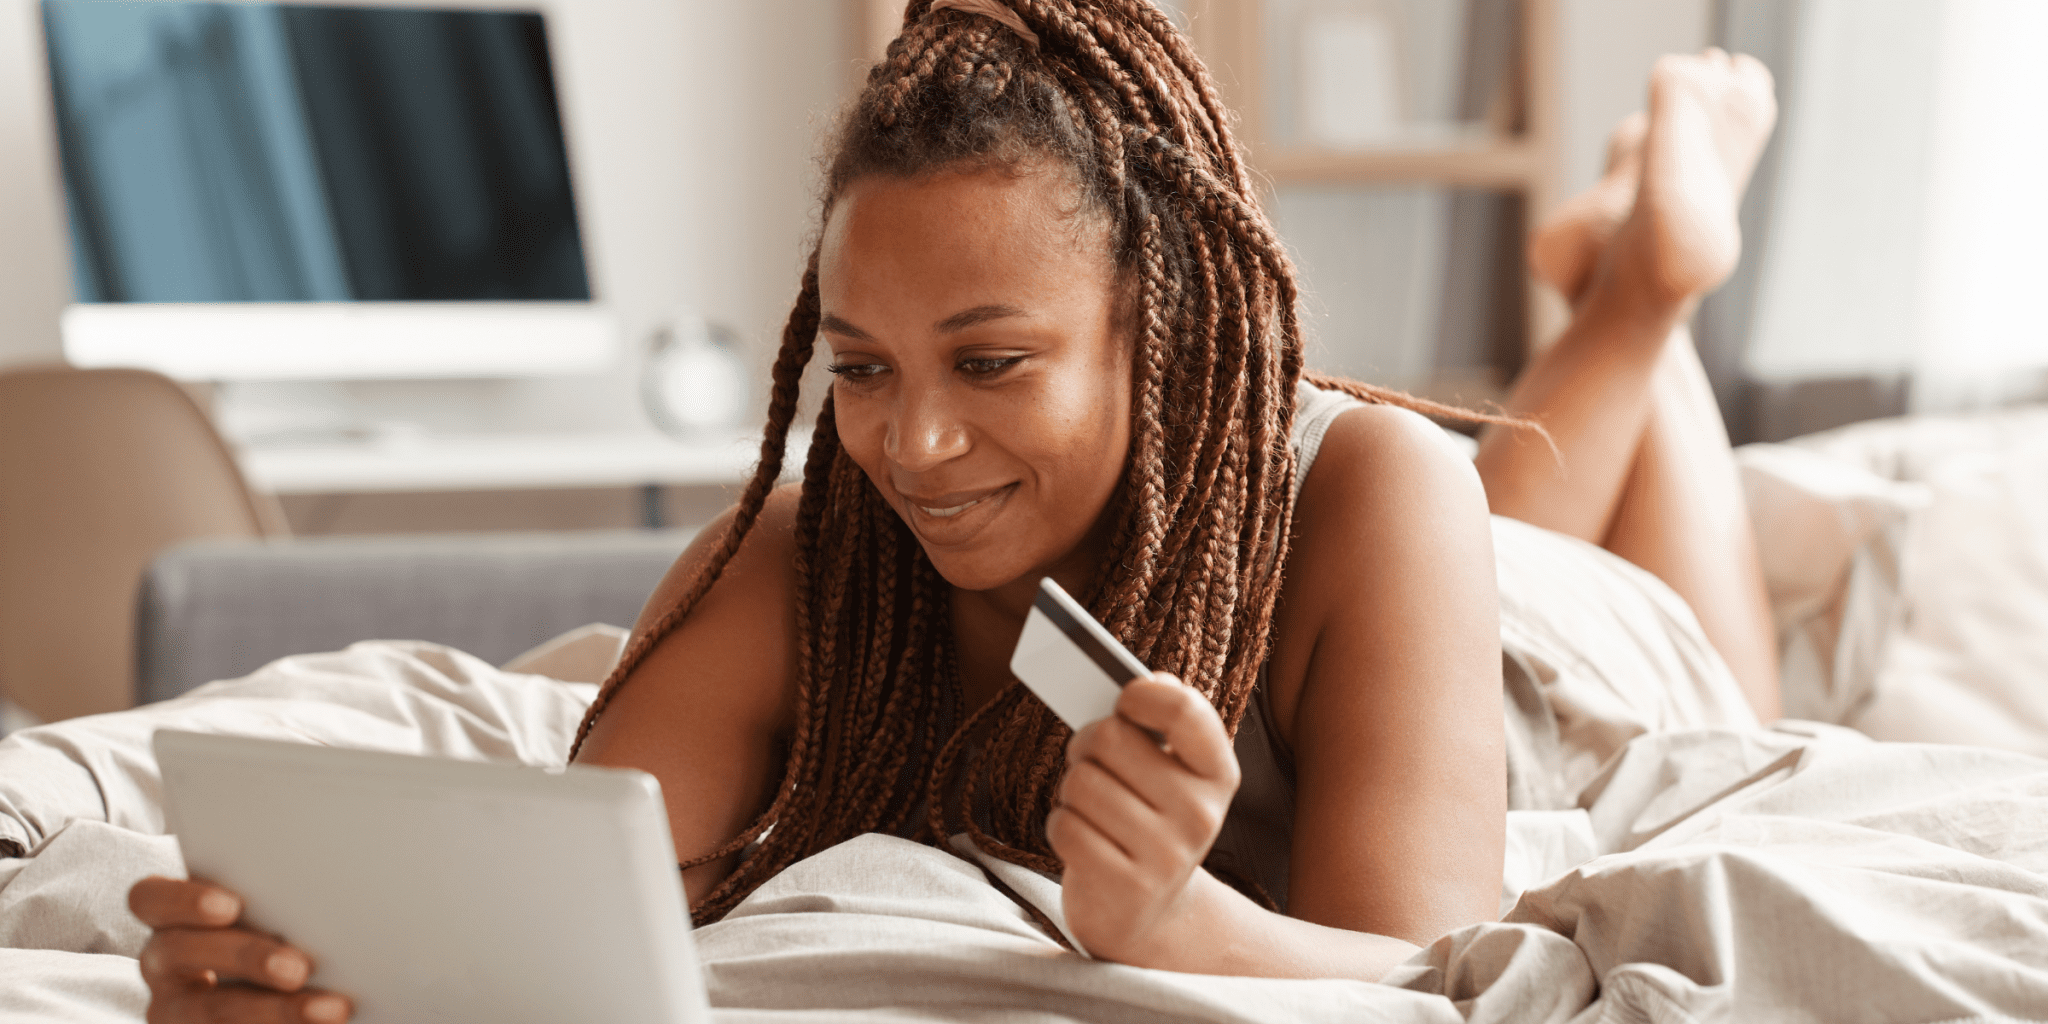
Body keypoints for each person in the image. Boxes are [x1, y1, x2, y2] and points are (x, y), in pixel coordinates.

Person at [128, 2, 1779, 1019]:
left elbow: (1438, 976)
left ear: (1165, 326)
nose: (910, 442)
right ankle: (1624, 295)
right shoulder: (803, 552)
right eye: (857, 364)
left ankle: (1643, 295)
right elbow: (556, 921)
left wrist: (1185, 926)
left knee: (1614, 582)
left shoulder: (1376, 490)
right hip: (1344, 563)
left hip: (1540, 648)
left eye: (992, 361)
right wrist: (296, 977)